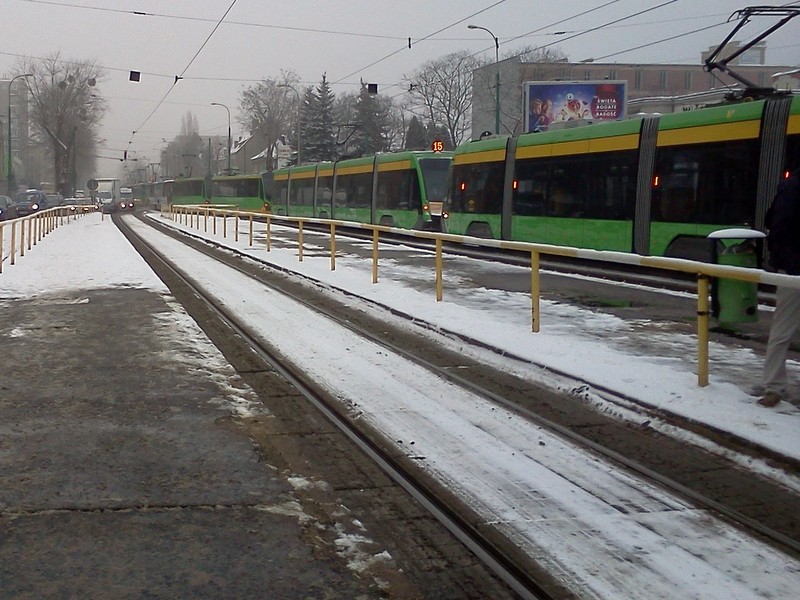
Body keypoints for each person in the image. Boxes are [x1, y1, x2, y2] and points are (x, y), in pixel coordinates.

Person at [759, 167, 800, 407]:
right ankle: (774, 386)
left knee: (783, 329)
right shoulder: (794, 186)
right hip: (795, 268)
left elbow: (773, 221)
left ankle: (774, 386)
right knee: (783, 329)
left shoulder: (792, 186)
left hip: (793, 267)